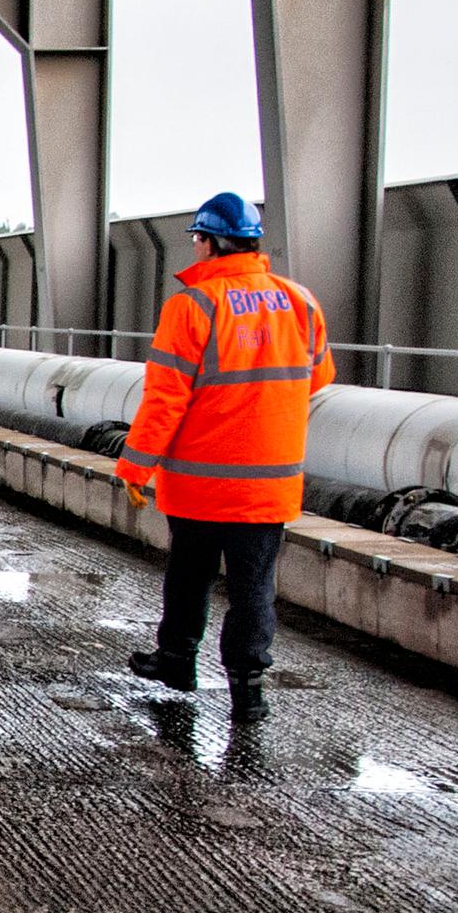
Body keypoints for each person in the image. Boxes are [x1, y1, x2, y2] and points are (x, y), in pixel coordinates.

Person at [116, 191, 334, 722]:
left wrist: (136, 464)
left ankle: (176, 663)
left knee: (188, 576)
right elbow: (320, 377)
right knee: (254, 588)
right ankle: (249, 689)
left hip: (200, 482)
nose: (195, 250)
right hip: (268, 485)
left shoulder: (193, 306)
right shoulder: (301, 302)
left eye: (197, 240)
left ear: (211, 242)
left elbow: (166, 397)